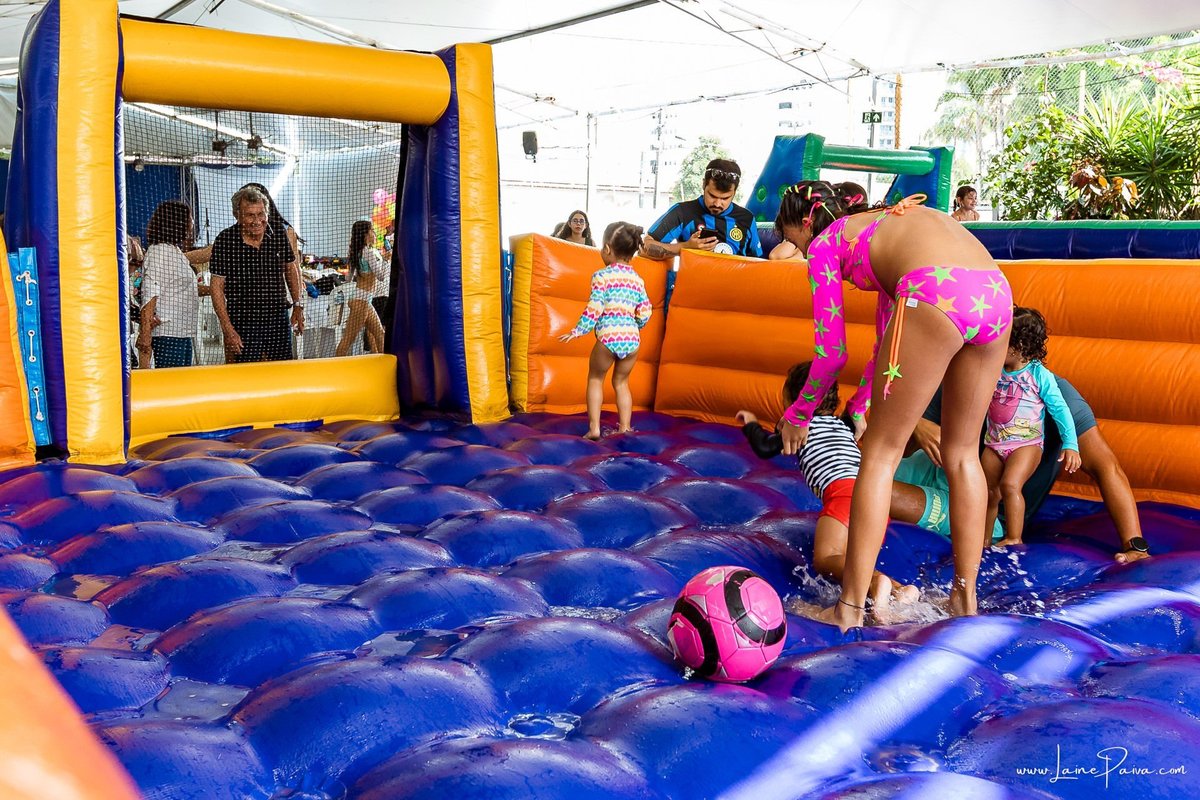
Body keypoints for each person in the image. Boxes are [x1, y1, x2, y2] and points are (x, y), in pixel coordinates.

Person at [775, 180, 1013, 631]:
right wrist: (861, 405)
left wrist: (799, 413)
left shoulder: (827, 242)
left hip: (936, 290)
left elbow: (831, 354)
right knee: (963, 454)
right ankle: (965, 597)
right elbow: (887, 339)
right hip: (995, 293)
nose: (800, 252)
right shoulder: (887, 223)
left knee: (881, 454)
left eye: (792, 240)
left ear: (806, 222)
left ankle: (847, 608)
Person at [737, 362, 919, 611]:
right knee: (853, 559)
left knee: (827, 559)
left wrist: (750, 423)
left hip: (842, 493)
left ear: (794, 401)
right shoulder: (844, 425)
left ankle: (877, 582)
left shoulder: (799, 428)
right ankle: (899, 590)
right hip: (876, 497)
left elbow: (764, 447)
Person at [910, 380, 1150, 564]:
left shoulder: (1055, 395)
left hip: (980, 508)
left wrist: (1134, 546)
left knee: (877, 494)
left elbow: (1107, 467)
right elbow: (893, 445)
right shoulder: (967, 375)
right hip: (932, 467)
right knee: (872, 473)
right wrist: (916, 425)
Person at [982, 307, 1080, 545]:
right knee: (988, 493)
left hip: (1026, 444)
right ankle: (983, 541)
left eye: (1003, 343)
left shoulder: (1039, 375)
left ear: (1022, 346)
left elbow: (1060, 409)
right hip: (994, 442)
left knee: (1010, 484)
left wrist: (1071, 444)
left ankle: (1014, 538)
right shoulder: (992, 369)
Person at [559, 222, 653, 441]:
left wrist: (578, 330)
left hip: (608, 338)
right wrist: (634, 327)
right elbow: (646, 311)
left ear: (608, 249)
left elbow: (595, 307)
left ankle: (594, 429)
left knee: (595, 379)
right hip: (631, 340)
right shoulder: (638, 280)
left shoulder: (601, 276)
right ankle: (625, 427)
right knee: (621, 383)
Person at [642, 159, 763, 306]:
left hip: (735, 300)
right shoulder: (683, 212)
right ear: (703, 185)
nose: (718, 203)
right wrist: (685, 247)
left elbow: (759, 263)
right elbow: (645, 246)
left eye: (725, 198)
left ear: (734, 192)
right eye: (712, 195)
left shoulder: (746, 219)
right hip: (692, 299)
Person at [209, 185, 305, 363]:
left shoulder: (277, 233)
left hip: (277, 318)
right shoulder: (225, 240)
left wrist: (298, 304)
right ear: (237, 215)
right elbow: (216, 287)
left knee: (282, 370)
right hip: (243, 320)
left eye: (261, 214)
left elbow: (291, 268)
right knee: (246, 375)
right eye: (250, 215)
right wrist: (227, 328)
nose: (257, 221)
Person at [137, 200, 203, 368]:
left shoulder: (175, 252)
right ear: (178, 222)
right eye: (190, 218)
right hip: (167, 334)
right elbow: (150, 292)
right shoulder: (159, 251)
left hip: (183, 332)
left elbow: (182, 288)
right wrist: (145, 333)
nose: (193, 223)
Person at [769, 181, 870, 261]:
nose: (804, 255)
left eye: (793, 241)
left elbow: (775, 256)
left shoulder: (822, 251)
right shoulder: (846, 239)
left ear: (807, 223)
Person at [336, 219, 386, 357]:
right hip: (361, 301)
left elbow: (348, 278)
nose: (374, 234)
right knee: (348, 340)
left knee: (380, 333)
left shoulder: (357, 252)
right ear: (365, 234)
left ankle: (384, 367)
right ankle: (335, 370)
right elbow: (381, 276)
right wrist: (385, 260)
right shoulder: (369, 252)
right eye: (372, 230)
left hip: (361, 299)